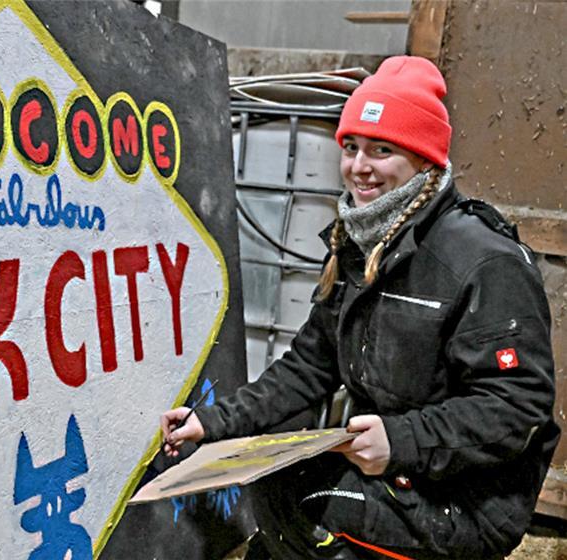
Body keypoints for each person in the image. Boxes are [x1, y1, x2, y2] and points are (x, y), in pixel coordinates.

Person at [160, 56, 559, 560]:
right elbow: (309, 366)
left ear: (424, 160)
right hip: (400, 466)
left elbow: (518, 407)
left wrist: (400, 438)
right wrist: (214, 423)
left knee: (306, 501)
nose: (358, 167)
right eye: (350, 147)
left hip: (468, 498)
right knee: (274, 496)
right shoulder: (363, 244)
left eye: (382, 149)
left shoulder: (483, 261)